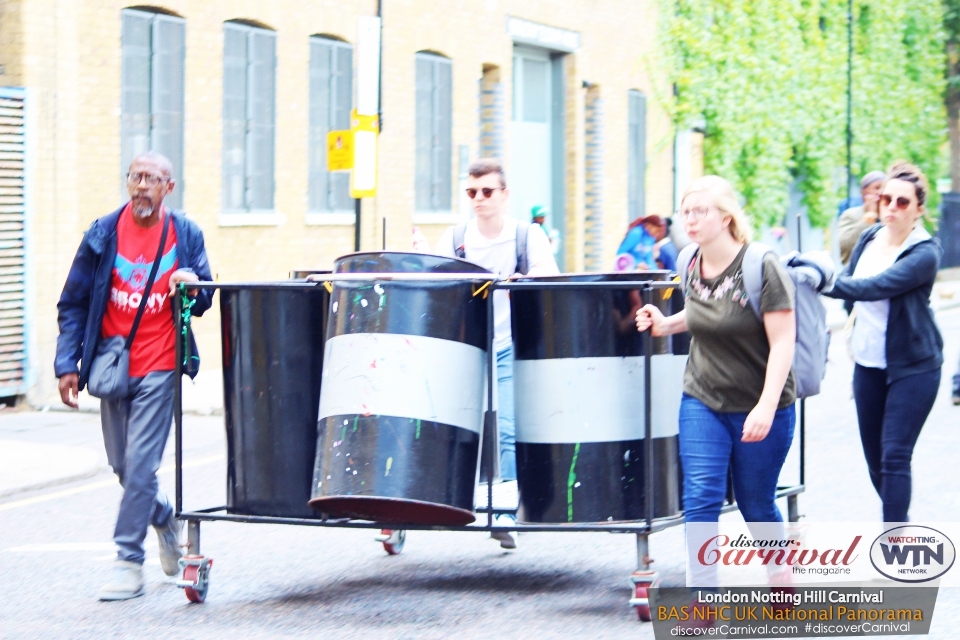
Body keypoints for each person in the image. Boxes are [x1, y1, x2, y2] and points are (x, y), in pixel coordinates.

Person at [55, 151, 214, 600]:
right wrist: (67, 362)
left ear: (169, 187)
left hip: (161, 364)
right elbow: (74, 301)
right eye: (136, 177)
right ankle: (164, 517)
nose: (142, 185)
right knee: (125, 469)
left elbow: (203, 298)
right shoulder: (103, 233)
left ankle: (128, 561)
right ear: (128, 182)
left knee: (143, 465)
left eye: (152, 179)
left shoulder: (185, 233)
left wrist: (190, 283)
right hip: (112, 363)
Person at [635, 175, 797, 589]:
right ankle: (703, 597)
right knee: (700, 496)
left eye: (700, 211)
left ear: (725, 217)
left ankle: (780, 573)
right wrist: (664, 323)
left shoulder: (761, 266)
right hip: (702, 397)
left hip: (763, 404)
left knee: (756, 503)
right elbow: (702, 311)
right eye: (685, 212)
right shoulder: (689, 260)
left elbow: (783, 343)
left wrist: (764, 406)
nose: (689, 220)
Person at [435, 158, 559, 549]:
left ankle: (503, 513)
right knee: (448, 425)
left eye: (487, 191)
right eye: (472, 192)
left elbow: (550, 272)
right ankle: (442, 500)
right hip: (464, 349)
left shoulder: (526, 235)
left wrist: (530, 277)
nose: (479, 199)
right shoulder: (455, 237)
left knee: (505, 428)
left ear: (504, 195)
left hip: (506, 345)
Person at [823, 161, 943, 523]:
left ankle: (893, 545)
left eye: (902, 202)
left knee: (894, 456)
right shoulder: (868, 237)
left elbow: (877, 286)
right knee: (876, 460)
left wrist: (820, 279)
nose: (890, 206)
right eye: (886, 198)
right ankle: (900, 524)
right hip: (868, 364)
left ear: (919, 209)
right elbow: (849, 281)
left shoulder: (925, 252)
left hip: (914, 366)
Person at [838, 170, 886, 266]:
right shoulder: (850, 215)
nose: (881, 192)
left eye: (884, 188)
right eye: (877, 188)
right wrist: (869, 216)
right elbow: (845, 246)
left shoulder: (890, 215)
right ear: (864, 192)